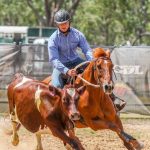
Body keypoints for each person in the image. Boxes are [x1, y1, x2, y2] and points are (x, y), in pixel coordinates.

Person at [48, 9, 93, 88]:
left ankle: (110, 96)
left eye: (65, 23)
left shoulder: (78, 34)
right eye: (61, 24)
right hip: (61, 65)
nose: (63, 25)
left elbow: (87, 50)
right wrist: (67, 71)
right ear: (57, 25)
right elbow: (54, 59)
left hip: (77, 61)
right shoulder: (53, 39)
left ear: (69, 22)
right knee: (57, 86)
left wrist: (91, 61)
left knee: (95, 73)